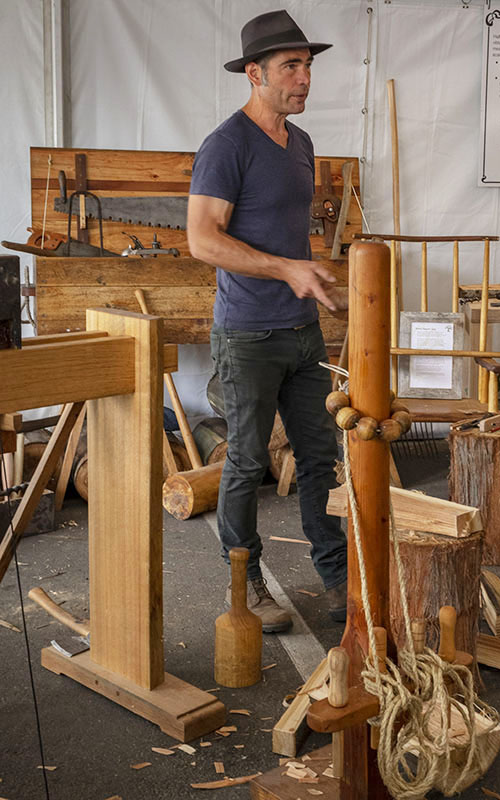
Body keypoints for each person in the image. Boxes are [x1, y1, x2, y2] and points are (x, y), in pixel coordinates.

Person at [187, 10, 348, 631]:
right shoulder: (226, 145)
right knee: (247, 462)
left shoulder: (302, 144)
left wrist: (314, 273)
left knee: (317, 456)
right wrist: (287, 270)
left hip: (301, 330)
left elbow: (285, 234)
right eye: (291, 67)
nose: (305, 79)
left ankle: (335, 577)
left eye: (308, 66)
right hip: (248, 332)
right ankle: (244, 581)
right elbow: (203, 239)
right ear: (255, 74)